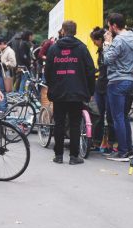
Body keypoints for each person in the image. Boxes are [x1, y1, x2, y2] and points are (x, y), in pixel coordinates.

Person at [45, 20, 95, 165]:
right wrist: (90, 90)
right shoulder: (82, 48)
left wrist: (51, 86)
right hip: (77, 92)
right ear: (75, 31)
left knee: (59, 123)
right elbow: (90, 70)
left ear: (63, 31)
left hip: (59, 92)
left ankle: (58, 155)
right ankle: (74, 156)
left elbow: (47, 71)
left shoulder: (54, 49)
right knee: (75, 124)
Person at [103, 13, 133, 161]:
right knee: (123, 117)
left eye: (109, 25)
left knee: (117, 117)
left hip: (117, 80)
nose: (108, 28)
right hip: (130, 79)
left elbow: (106, 59)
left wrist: (107, 43)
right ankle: (128, 149)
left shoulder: (118, 41)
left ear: (114, 26)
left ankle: (123, 151)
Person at [90, 26, 115, 153]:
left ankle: (111, 143)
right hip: (100, 86)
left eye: (94, 40)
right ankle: (97, 141)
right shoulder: (100, 51)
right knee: (98, 115)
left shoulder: (108, 49)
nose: (93, 43)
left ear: (100, 39)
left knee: (110, 116)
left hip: (108, 85)